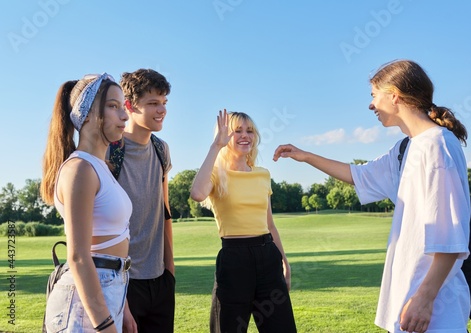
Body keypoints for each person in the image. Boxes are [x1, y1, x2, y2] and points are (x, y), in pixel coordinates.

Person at [274, 60, 471, 333]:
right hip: (410, 303)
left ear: (395, 96)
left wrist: (424, 299)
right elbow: (359, 175)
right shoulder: (406, 148)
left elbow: (449, 233)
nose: (371, 105)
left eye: (374, 95)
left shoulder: (438, 146)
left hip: (434, 308)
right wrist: (305, 156)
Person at [190, 110, 297, 333]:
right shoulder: (217, 174)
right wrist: (215, 146)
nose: (244, 135)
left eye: (249, 131)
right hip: (234, 261)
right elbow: (198, 193)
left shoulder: (263, 174)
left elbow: (270, 224)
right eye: (237, 131)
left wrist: (285, 262)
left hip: (268, 257)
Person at [40, 73, 132, 332]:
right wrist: (105, 324)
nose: (124, 116)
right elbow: (80, 256)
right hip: (82, 305)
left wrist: (123, 309)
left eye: (122, 107)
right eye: (113, 106)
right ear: (88, 113)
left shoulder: (100, 167)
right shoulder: (80, 168)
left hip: (110, 289)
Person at [107, 69, 175, 333]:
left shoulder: (162, 150)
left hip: (160, 280)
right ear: (129, 105)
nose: (161, 110)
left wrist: (170, 270)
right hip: (122, 281)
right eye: (153, 103)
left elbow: (165, 211)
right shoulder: (109, 150)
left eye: (164, 102)